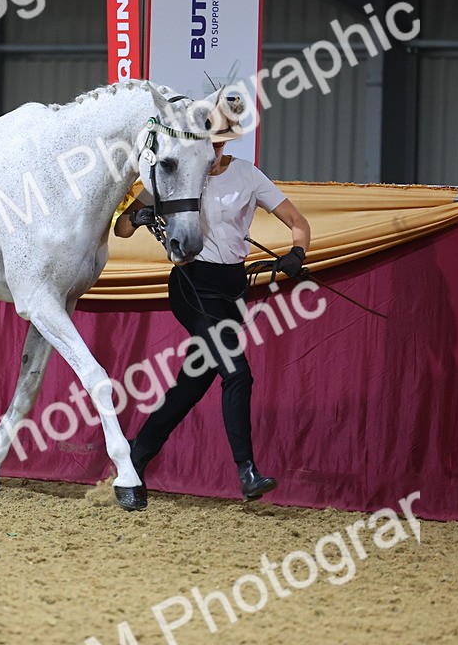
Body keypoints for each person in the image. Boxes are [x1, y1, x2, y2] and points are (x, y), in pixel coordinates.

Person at [114, 102, 311, 501]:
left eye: (221, 143)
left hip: (233, 290)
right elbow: (120, 227)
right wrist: (138, 217)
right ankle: (247, 471)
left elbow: (298, 223)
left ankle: (134, 458)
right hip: (192, 284)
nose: (215, 150)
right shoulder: (180, 173)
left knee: (191, 385)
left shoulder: (248, 176)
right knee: (238, 374)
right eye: (210, 143)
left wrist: (297, 253)